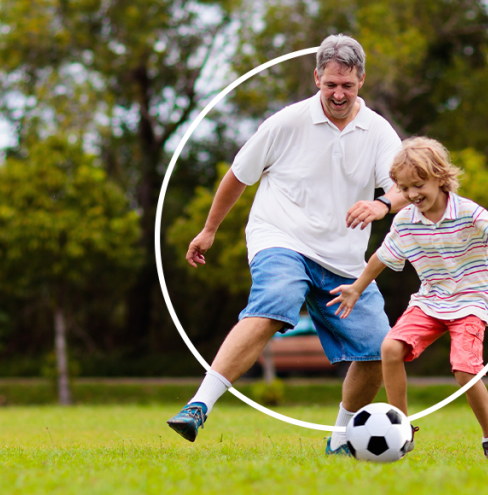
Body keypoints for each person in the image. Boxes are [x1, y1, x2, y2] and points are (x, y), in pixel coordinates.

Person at [167, 34, 409, 456]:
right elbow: (239, 176)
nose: (338, 93)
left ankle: (340, 439)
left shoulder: (378, 132)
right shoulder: (286, 122)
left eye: (347, 86)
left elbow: (406, 187)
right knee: (274, 302)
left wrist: (381, 203)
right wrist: (209, 230)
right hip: (280, 237)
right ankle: (198, 406)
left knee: (378, 350)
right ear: (316, 77)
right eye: (330, 83)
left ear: (361, 81)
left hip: (344, 259)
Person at [327, 137, 488, 460]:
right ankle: (401, 429)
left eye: (419, 185)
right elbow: (383, 257)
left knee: (464, 369)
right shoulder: (406, 220)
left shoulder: (468, 212)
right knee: (390, 348)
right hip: (431, 300)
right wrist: (357, 287)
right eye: (404, 188)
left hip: (472, 299)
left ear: (440, 177)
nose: (413, 194)